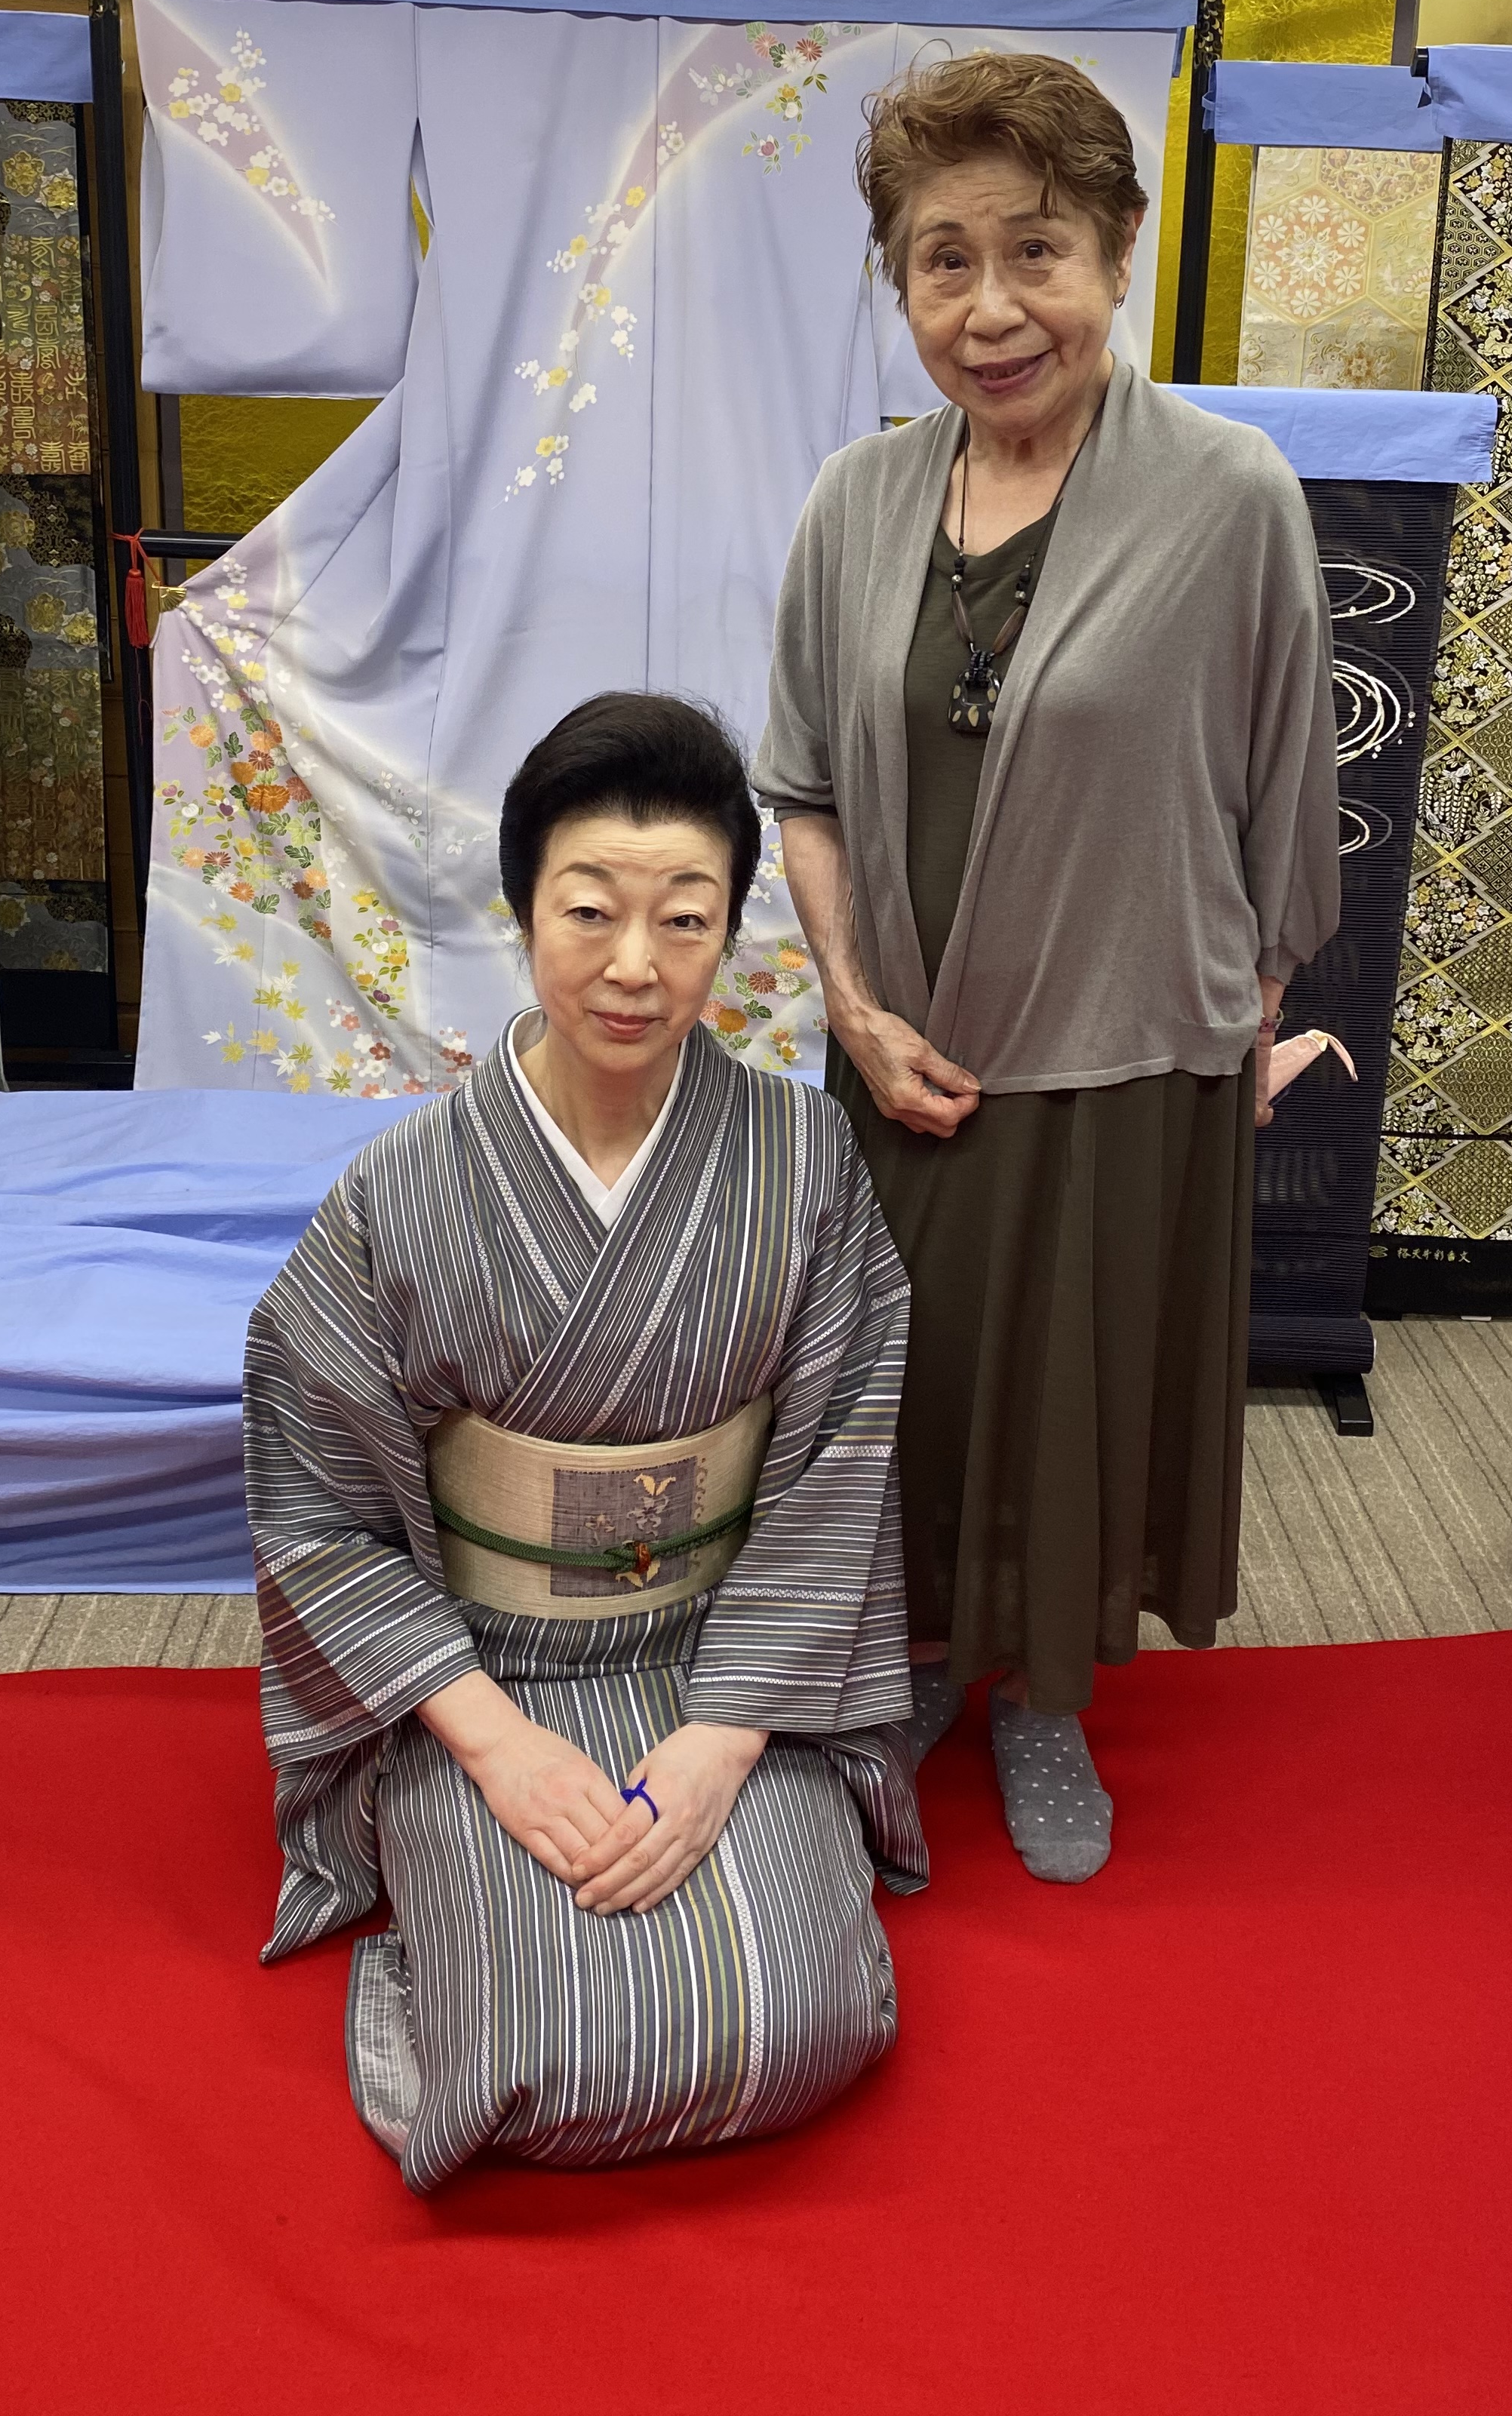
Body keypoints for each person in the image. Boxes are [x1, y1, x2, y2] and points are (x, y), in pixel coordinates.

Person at [755, 48, 1339, 1886]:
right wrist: (854, 1009)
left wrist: (1239, 1020)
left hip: (1121, 1055)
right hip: (901, 1057)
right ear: (901, 283)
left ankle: (1045, 1697)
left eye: (1039, 252)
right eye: (945, 260)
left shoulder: (1230, 495)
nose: (994, 308)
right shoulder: (856, 501)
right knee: (903, 1393)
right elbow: (804, 790)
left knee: (1074, 1401)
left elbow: (1284, 791)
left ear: (1115, 255)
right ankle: (920, 1658)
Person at [244, 692, 925, 2187]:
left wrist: (722, 1743)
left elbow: (839, 1459)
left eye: (685, 920)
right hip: (485, 1673)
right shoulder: (400, 1191)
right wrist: (492, 1749)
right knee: (530, 2055)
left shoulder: (805, 1162)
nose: (635, 965)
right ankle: (453, 1848)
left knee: (799, 2020)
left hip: (724, 1657)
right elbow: (318, 1503)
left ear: (729, 932)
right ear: (523, 909)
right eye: (591, 911)